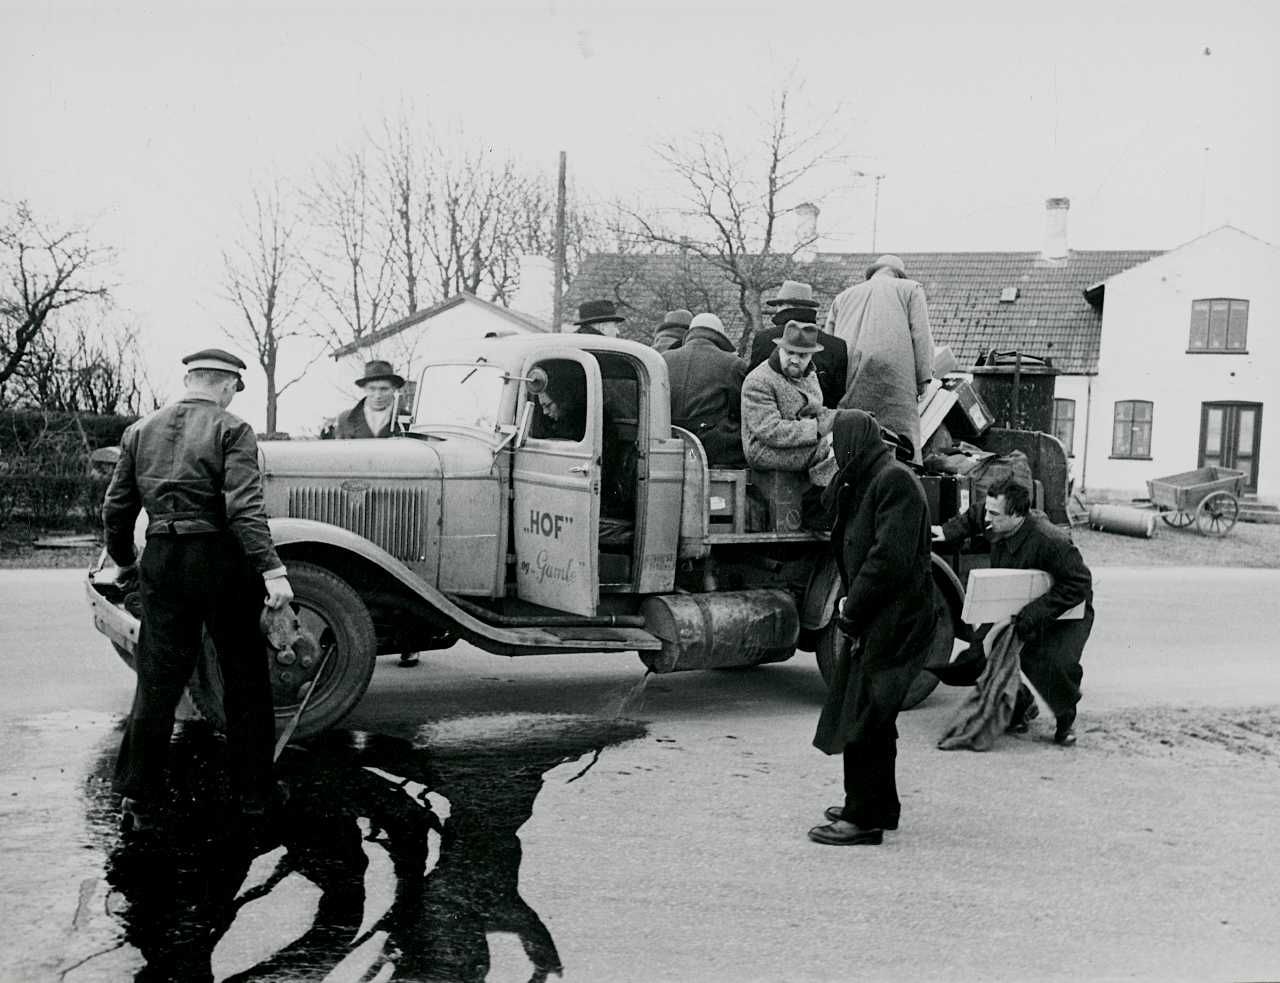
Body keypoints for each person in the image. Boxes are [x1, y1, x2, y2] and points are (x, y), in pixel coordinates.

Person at [102, 348, 294, 835]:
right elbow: (244, 508)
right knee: (244, 677)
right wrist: (272, 570)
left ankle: (138, 797)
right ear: (226, 385)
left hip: (162, 560)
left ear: (190, 380)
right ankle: (254, 795)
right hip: (220, 561)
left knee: (157, 680)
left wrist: (125, 560)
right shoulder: (233, 429)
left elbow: (116, 509)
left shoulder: (139, 431)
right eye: (233, 390)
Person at [809, 410, 942, 845]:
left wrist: (851, 609)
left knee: (866, 716)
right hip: (882, 618)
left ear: (852, 443)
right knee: (873, 716)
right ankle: (879, 806)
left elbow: (887, 560)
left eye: (835, 445)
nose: (831, 453)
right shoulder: (866, 478)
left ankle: (862, 819)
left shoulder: (894, 481)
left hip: (898, 622)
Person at [933, 476, 1094, 746]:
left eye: (995, 514)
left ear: (1017, 515)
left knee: (1054, 663)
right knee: (982, 654)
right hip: (1015, 602)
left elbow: (1078, 583)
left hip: (1064, 609)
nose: (987, 518)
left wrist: (1032, 615)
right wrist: (947, 532)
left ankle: (1065, 721)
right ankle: (1020, 706)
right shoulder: (995, 517)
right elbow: (975, 515)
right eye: (988, 511)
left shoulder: (1050, 540)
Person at [825, 254, 934, 463]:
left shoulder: (842, 297)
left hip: (850, 377)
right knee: (903, 442)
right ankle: (902, 477)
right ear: (898, 274)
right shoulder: (911, 289)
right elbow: (921, 336)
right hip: (896, 379)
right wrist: (924, 379)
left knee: (854, 439)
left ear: (873, 272)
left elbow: (829, 345)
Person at [741, 320, 837, 494]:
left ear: (811, 356)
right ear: (780, 349)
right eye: (790, 352)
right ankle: (823, 501)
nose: (794, 360)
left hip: (800, 441)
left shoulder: (809, 375)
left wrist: (841, 419)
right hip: (766, 450)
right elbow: (769, 430)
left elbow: (815, 410)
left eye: (802, 355)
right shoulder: (759, 380)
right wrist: (817, 429)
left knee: (853, 441)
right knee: (839, 451)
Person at [662, 312, 748, 468]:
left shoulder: (663, 359)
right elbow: (741, 411)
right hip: (714, 449)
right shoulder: (733, 364)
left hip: (668, 442)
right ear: (720, 337)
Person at [750, 280, 848, 410]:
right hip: (820, 418)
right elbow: (838, 394)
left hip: (773, 416)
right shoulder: (837, 346)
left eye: (778, 305)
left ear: (785, 305)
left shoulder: (765, 339)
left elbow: (753, 383)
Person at [335, 359, 405, 438]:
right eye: (372, 389)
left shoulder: (407, 419)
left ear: (394, 389)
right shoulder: (345, 419)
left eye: (384, 389)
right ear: (364, 389)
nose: (378, 395)